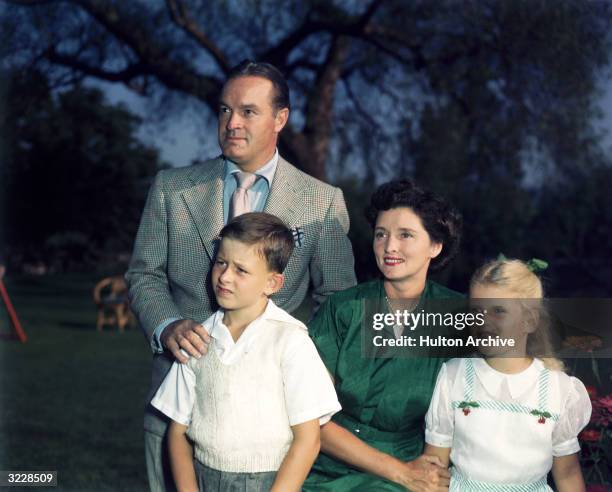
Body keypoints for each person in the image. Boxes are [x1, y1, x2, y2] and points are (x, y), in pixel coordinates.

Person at [125, 60, 356, 491]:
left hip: (268, 428)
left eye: (248, 111)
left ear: (280, 118)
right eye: (224, 110)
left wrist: (310, 366)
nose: (232, 122)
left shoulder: (322, 202)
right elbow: (144, 274)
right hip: (178, 395)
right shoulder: (172, 188)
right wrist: (167, 324)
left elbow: (338, 299)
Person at [150, 212, 341, 492]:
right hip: (204, 479)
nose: (225, 277)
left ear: (272, 284)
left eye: (241, 270)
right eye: (221, 263)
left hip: (271, 482)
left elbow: (308, 439)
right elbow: (177, 432)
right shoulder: (196, 339)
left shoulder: (290, 340)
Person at [303, 179, 463, 491]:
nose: (389, 247)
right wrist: (399, 472)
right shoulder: (342, 310)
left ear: (435, 245)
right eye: (381, 234)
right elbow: (310, 417)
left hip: (416, 465)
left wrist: (424, 472)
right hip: (326, 465)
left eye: (405, 235)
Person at [424, 259, 592, 491]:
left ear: (529, 320)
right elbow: (435, 465)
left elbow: (568, 474)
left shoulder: (558, 389)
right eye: (476, 310)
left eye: (499, 311)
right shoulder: (454, 375)